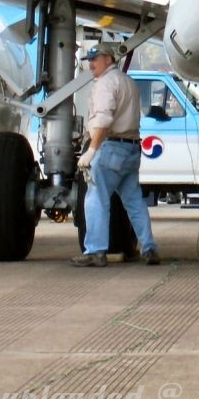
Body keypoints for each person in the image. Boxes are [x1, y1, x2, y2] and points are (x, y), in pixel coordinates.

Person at [71, 43, 160, 267]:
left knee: (96, 199)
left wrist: (91, 150)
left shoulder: (105, 84)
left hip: (109, 147)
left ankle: (96, 251)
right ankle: (149, 248)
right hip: (131, 147)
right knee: (134, 201)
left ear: (109, 59)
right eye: (89, 60)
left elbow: (103, 120)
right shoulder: (128, 82)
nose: (91, 64)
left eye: (95, 59)